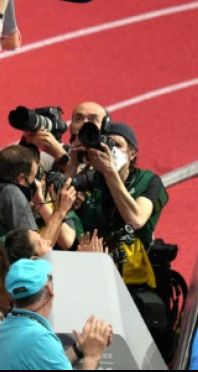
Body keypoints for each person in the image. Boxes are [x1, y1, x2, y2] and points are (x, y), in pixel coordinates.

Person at [71, 121, 169, 288]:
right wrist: (72, 162)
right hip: (89, 272)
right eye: (108, 144)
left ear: (132, 153)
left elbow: (136, 219)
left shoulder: (148, 181)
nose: (111, 150)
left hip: (131, 280)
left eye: (117, 145)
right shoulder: (90, 180)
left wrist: (109, 171)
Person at [0, 144, 76, 287]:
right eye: (35, 176)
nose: (36, 182)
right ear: (21, 179)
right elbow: (36, 252)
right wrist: (60, 211)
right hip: (7, 292)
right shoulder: (11, 193)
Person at [0, 258, 112, 370]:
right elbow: (40, 349)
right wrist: (92, 356)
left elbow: (43, 362)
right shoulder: (40, 340)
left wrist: (80, 349)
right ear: (49, 290)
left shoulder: (4, 328)